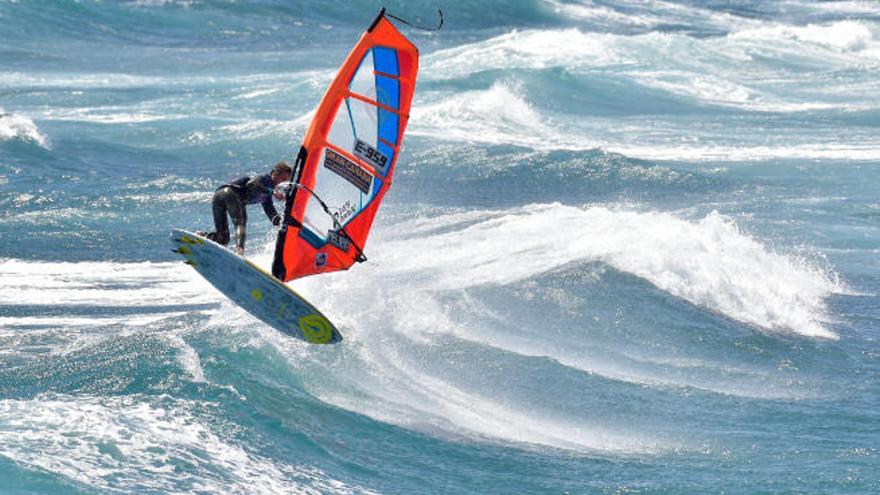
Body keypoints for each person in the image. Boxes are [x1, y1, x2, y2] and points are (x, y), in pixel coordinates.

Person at [199, 161, 293, 255]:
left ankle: (201, 236)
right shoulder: (264, 178)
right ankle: (240, 250)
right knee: (241, 221)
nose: (284, 183)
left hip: (219, 197)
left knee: (223, 238)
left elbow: (271, 214)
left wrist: (283, 223)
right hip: (229, 193)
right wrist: (272, 192)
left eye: (286, 181)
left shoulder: (267, 197)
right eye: (283, 179)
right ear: (274, 174)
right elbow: (251, 185)